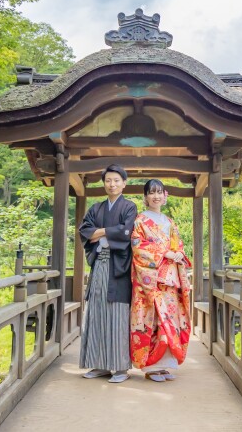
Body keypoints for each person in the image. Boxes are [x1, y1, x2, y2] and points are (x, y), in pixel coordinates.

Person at [78, 164, 138, 383]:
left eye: (116, 180)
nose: (112, 184)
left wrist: (100, 233)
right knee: (96, 312)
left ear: (124, 183)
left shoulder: (130, 207)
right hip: (99, 266)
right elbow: (85, 231)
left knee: (117, 315)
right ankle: (99, 364)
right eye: (108, 180)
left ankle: (121, 367)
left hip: (119, 269)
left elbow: (127, 231)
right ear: (104, 183)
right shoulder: (96, 208)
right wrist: (111, 232)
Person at [130, 179, 192, 382]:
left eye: (159, 192)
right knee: (154, 321)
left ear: (165, 196)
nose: (156, 196)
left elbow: (178, 245)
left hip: (170, 279)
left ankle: (165, 364)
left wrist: (178, 254)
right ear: (145, 197)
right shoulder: (140, 221)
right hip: (152, 280)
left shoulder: (169, 222)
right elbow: (138, 246)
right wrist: (165, 253)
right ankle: (151, 366)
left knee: (170, 321)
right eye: (151, 192)